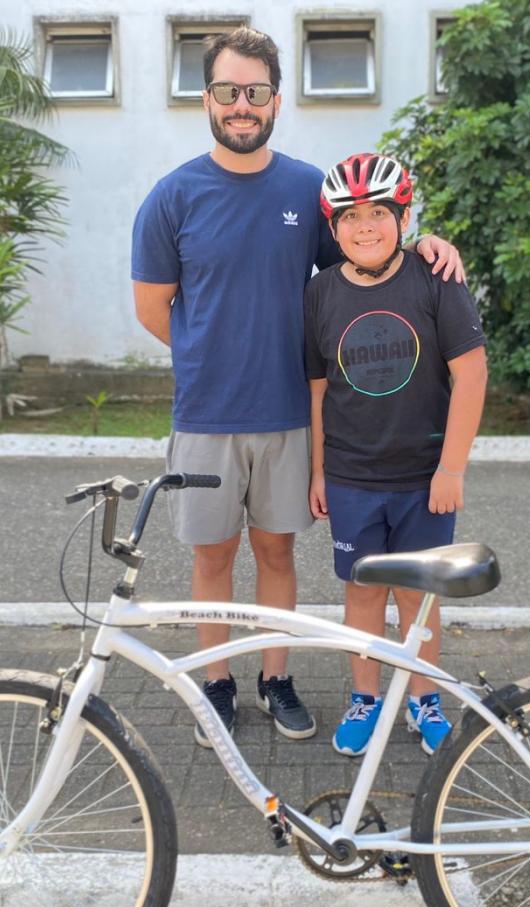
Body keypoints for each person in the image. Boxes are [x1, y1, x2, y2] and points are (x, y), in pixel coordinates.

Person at [130, 29, 465, 749]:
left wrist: (427, 244)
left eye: (255, 91)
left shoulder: (305, 191)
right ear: (207, 98)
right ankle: (218, 684)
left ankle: (275, 680)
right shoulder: (172, 197)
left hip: (289, 415)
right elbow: (153, 308)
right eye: (228, 90)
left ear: (276, 101)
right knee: (212, 557)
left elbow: (365, 248)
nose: (241, 104)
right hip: (207, 416)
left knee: (277, 554)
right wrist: (211, 354)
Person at [305, 152, 488, 757]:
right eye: (350, 217)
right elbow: (318, 389)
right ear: (333, 229)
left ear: (404, 218)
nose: (365, 227)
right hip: (352, 476)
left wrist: (452, 468)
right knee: (362, 592)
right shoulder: (320, 293)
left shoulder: (436, 279)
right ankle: (366, 698)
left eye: (379, 213)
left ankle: (424, 699)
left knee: (418, 596)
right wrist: (319, 471)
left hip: (423, 478)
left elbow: (472, 374)